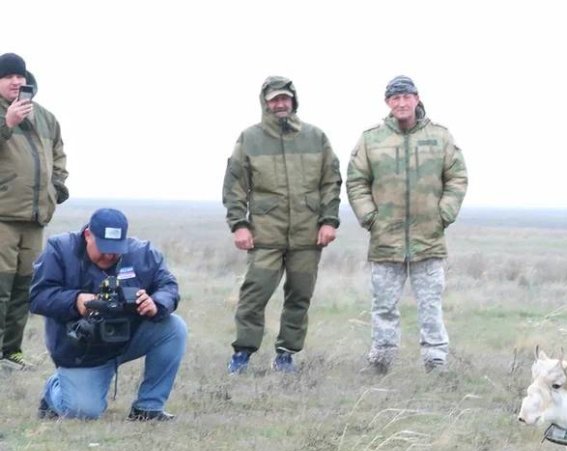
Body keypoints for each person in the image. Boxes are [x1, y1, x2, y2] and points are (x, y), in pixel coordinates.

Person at [347, 75, 467, 374]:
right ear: (388, 103)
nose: (401, 103)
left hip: (429, 238)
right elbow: (356, 181)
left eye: (406, 97)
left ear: (417, 99)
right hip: (385, 240)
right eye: (395, 98)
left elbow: (457, 177)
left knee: (430, 305)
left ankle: (435, 361)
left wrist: (444, 214)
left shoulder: (440, 136)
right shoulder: (371, 139)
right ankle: (381, 360)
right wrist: (369, 217)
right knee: (384, 305)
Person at [223, 76, 342, 374]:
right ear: (265, 102)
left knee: (299, 297)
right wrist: (239, 224)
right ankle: (242, 353)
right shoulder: (250, 138)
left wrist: (328, 220)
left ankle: (286, 354)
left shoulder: (316, 137)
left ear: (294, 100)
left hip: (307, 234)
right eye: (275, 99)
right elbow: (235, 185)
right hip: (266, 234)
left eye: (285, 98)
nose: (280, 104)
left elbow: (331, 182)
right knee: (254, 294)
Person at [29, 208, 186, 420]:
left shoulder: (142, 254)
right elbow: (37, 296)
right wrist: (75, 300)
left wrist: (156, 303)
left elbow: (168, 285)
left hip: (127, 338)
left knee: (174, 328)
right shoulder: (59, 249)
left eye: (115, 249)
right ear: (87, 236)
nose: (109, 255)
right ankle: (56, 387)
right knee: (83, 412)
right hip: (82, 351)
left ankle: (148, 408)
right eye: (103, 248)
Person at [0, 53, 68, 371]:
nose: (16, 81)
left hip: (34, 218)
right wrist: (7, 124)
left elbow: (59, 158)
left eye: (20, 75)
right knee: (0, 286)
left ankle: (10, 351)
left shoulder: (45, 117)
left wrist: (56, 191)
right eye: (8, 76)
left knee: (23, 287)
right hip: (2, 216)